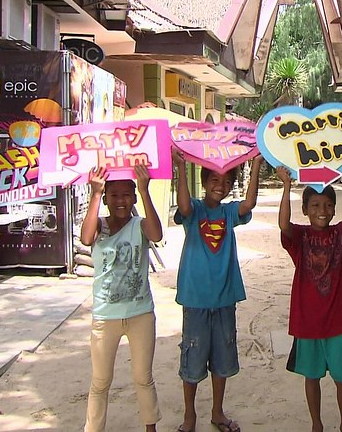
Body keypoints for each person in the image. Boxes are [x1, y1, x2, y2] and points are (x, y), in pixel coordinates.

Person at [276, 155, 342, 432]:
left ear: (334, 209)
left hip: (337, 322)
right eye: (315, 205)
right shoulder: (300, 237)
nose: (323, 210)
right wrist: (286, 186)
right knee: (312, 376)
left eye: (328, 205)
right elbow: (283, 225)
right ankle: (316, 424)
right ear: (305, 209)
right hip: (308, 323)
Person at [173, 151, 263, 432]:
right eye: (214, 180)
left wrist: (256, 164)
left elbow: (248, 204)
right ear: (203, 182)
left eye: (226, 182)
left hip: (224, 298)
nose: (220, 186)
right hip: (196, 299)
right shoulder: (194, 210)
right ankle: (190, 416)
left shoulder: (228, 212)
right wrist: (181, 167)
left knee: (222, 360)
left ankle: (217, 412)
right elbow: (183, 206)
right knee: (193, 358)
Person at [80, 164, 164, 432]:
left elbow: (157, 234)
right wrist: (95, 193)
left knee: (143, 378)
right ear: (106, 198)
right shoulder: (99, 225)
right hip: (105, 317)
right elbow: (86, 238)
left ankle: (150, 427)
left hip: (140, 315)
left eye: (127, 195)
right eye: (113, 195)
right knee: (100, 381)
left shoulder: (140, 225)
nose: (120, 201)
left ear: (134, 198)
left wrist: (145, 189)